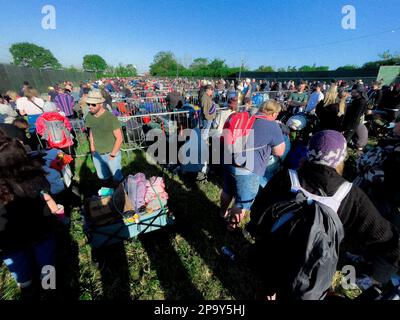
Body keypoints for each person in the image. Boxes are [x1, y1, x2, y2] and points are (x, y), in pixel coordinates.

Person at [249, 130, 400, 300]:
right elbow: (385, 238)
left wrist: (258, 234)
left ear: (309, 152)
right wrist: (383, 271)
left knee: (268, 288)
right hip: (312, 272)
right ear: (340, 159)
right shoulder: (351, 195)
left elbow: (258, 214)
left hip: (273, 256)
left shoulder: (286, 177)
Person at [0, 135, 61, 299]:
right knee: (46, 259)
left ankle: (26, 287)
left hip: (8, 235)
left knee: (18, 263)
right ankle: (49, 288)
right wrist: (57, 212)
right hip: (39, 228)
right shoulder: (34, 176)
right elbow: (46, 196)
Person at [220, 100, 286, 231]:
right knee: (242, 201)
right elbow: (280, 152)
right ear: (273, 114)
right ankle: (231, 226)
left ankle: (222, 213)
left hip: (229, 161)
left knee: (227, 190)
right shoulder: (273, 126)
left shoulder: (246, 115)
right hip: (248, 169)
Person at [85, 90, 124, 185]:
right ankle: (107, 195)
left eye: (93, 104)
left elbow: (119, 138)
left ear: (101, 104)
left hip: (111, 153)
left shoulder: (111, 118)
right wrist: (93, 150)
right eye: (88, 104)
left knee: (117, 179)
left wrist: (113, 154)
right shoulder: (89, 117)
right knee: (103, 178)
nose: (90, 107)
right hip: (97, 154)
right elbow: (91, 133)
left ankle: (120, 196)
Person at [342, 84, 368, 151]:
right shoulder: (355, 100)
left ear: (358, 92)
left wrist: (349, 127)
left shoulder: (362, 102)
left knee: (345, 140)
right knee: (349, 138)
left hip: (352, 124)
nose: (351, 93)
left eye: (353, 92)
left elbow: (356, 116)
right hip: (349, 122)